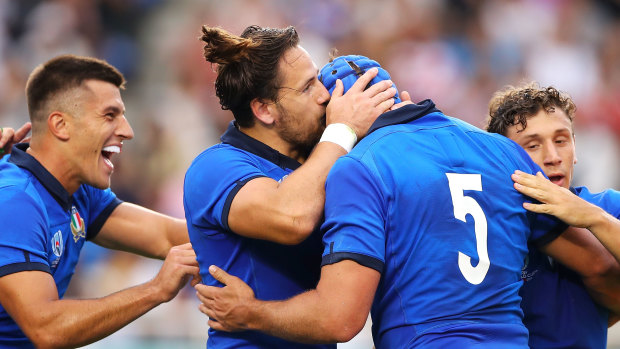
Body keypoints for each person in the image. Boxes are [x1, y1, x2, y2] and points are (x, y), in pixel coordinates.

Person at [194, 55, 619, 348]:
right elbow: (599, 267)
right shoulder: (501, 151)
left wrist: (251, 313)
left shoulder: (359, 167)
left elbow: (339, 319)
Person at [183, 26, 396, 348]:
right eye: (307, 87)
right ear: (264, 110)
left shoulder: (327, 156)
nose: (325, 95)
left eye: (318, 79)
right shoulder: (215, 167)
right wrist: (343, 130)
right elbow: (292, 217)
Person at [0, 54, 200, 348]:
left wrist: (275, 236)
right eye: (110, 115)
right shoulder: (15, 201)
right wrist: (156, 290)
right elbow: (46, 328)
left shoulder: (79, 191)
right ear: (61, 125)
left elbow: (166, 237)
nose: (127, 131)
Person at [485, 82, 620, 349]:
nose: (553, 156)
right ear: (503, 158)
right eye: (533, 146)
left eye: (561, 140)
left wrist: (593, 218)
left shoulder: (607, 206)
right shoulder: (492, 221)